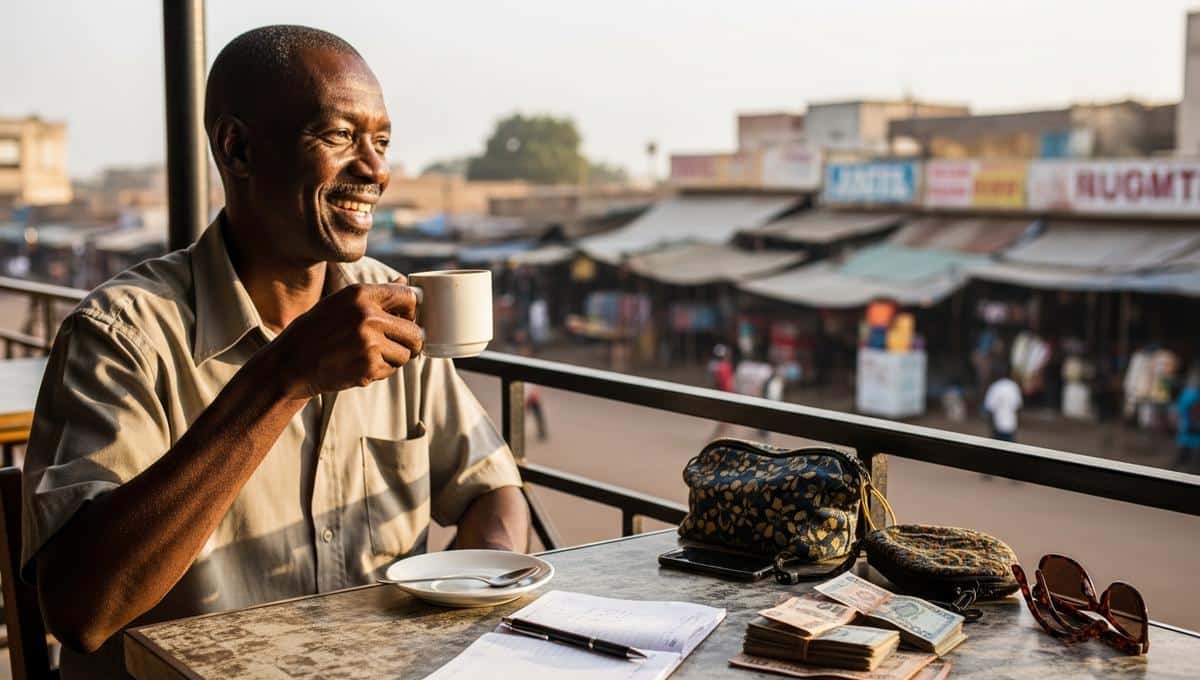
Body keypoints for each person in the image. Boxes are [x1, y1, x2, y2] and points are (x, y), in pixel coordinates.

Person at [21, 26, 528, 679]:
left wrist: (466, 615)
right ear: (237, 149)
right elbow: (80, 611)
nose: (374, 170)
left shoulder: (387, 304)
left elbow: (495, 492)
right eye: (338, 136)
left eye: (381, 141)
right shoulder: (124, 335)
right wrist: (284, 378)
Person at [983, 366, 1023, 442]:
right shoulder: (1013, 386)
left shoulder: (995, 386)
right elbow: (1018, 407)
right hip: (1011, 425)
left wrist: (991, 426)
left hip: (998, 426)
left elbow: (989, 409)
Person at [1174, 369, 1200, 469]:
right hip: (1190, 428)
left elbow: (1179, 410)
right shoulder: (1189, 393)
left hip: (1188, 427)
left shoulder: (1187, 393)